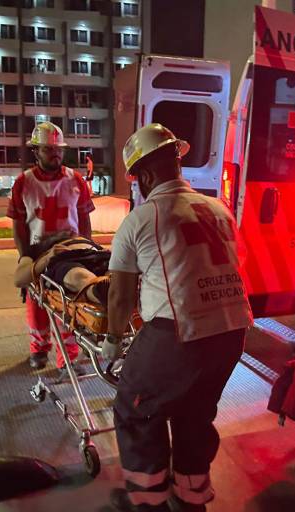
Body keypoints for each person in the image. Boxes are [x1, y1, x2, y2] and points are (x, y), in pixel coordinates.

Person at [102, 123, 253, 511]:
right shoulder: (218, 209)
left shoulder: (141, 219)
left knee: (135, 409)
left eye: (136, 179)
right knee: (194, 413)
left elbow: (119, 296)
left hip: (179, 334)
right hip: (233, 332)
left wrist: (113, 343)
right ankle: (191, 497)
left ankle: (148, 498)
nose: (137, 186)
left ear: (145, 176)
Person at [7, 121, 95, 373]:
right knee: (37, 306)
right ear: (36, 151)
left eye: (58, 149)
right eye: (48, 149)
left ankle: (67, 357)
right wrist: (24, 257)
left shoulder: (75, 179)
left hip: (70, 251)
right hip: (37, 251)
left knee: (68, 306)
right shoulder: (23, 183)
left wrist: (86, 249)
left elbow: (84, 218)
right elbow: (19, 225)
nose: (54, 154)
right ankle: (39, 350)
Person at [12, 230, 110, 306]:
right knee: (77, 275)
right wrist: (47, 258)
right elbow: (18, 279)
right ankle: (103, 291)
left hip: (97, 255)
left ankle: (112, 287)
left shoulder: (83, 238)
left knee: (112, 270)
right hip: (64, 259)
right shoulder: (35, 249)